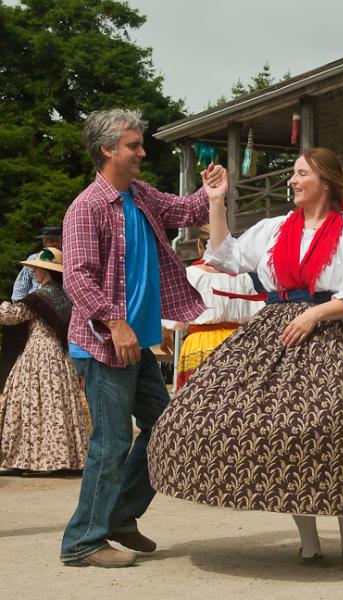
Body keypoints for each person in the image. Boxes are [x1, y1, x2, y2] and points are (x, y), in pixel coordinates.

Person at [148, 147, 343, 568]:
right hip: (277, 329)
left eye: (300, 173)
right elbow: (228, 257)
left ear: (325, 182)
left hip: (332, 331)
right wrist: (216, 201)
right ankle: (308, 539)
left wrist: (315, 313)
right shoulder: (274, 228)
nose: (292, 181)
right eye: (292, 173)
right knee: (276, 428)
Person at [60, 108, 226, 569]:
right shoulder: (87, 207)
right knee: (110, 444)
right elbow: (76, 278)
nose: (141, 152)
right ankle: (82, 542)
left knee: (168, 428)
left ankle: (118, 516)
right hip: (103, 347)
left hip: (137, 347)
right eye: (133, 145)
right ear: (107, 149)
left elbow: (187, 210)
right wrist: (116, 323)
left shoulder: (140, 196)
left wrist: (210, 191)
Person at [0, 248, 88, 473]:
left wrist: (2, 306)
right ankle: (64, 459)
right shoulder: (62, 295)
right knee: (55, 404)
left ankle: (34, 460)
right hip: (59, 354)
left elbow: (13, 316)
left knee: (33, 404)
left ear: (46, 270)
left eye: (37, 268)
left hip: (39, 352)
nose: (34, 272)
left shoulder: (43, 296)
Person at [164, 225, 265, 388]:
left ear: (199, 245)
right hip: (237, 344)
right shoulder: (243, 277)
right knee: (230, 404)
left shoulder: (189, 276)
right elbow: (257, 314)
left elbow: (171, 315)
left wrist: (165, 334)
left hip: (201, 344)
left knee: (198, 403)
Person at [11, 226, 63, 302]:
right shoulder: (33, 259)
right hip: (31, 303)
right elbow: (20, 288)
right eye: (51, 240)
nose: (54, 243)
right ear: (44, 242)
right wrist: (20, 306)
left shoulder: (66, 260)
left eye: (57, 240)